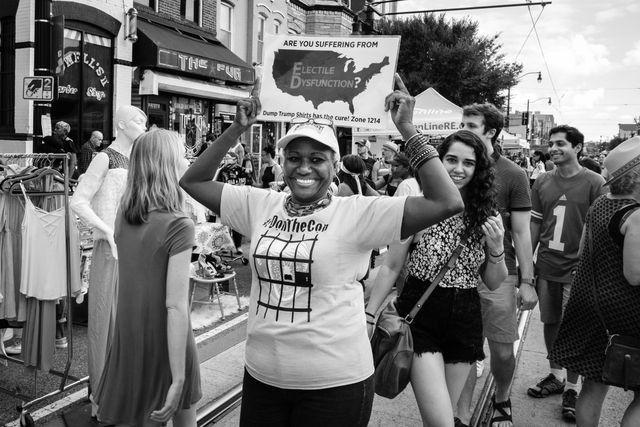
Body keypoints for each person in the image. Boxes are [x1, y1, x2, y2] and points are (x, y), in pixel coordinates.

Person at [179, 75, 464, 427]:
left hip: (336, 385)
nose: (303, 167)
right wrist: (236, 129)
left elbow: (447, 201)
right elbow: (192, 181)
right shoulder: (260, 204)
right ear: (282, 162)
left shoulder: (357, 212)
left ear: (334, 164)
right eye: (294, 157)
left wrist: (406, 128)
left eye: (316, 158)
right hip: (262, 379)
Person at [366, 130, 507, 427]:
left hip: (465, 317)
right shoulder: (418, 206)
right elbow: (391, 265)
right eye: (451, 160)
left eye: (468, 163)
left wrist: (496, 250)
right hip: (420, 316)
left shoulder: (486, 214)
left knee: (445, 416)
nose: (458, 169)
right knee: (441, 421)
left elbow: (494, 281)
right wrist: (368, 314)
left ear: (478, 169)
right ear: (438, 163)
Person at [94, 129, 201, 426]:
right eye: (182, 154)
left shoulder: (124, 215)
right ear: (167, 163)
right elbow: (175, 306)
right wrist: (178, 376)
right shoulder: (179, 224)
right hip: (170, 341)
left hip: (130, 336)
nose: (186, 159)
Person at [547, 136, 640, 427]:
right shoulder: (636, 216)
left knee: (593, 385)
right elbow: (634, 275)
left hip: (590, 306)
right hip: (626, 315)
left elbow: (582, 250)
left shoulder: (601, 203)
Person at [457, 103, 537, 427]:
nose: (463, 129)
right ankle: (460, 415)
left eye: (471, 125)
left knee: (502, 352)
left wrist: (527, 280)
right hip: (458, 272)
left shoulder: (514, 174)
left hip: (499, 273)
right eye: (462, 123)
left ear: (490, 131)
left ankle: (501, 395)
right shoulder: (455, 168)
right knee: (463, 350)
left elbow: (521, 232)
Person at [69, 105, 147, 417]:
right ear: (121, 124)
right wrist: (106, 230)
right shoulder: (105, 157)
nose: (143, 123)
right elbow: (78, 201)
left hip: (136, 249)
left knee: (131, 322)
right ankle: (103, 396)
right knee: (105, 321)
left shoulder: (139, 160)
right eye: (137, 119)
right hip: (110, 248)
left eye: (144, 119)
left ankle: (128, 390)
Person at [527, 125, 605, 422]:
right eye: (551, 143)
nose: (553, 148)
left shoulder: (595, 182)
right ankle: (555, 374)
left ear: (578, 148)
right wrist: (527, 265)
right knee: (550, 323)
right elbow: (534, 224)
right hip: (547, 265)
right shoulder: (542, 181)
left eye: (561, 143)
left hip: (579, 270)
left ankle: (572, 386)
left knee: (574, 328)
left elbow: (600, 228)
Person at [216, 151, 249, 254]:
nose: (226, 159)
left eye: (228, 157)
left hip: (239, 200)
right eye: (225, 157)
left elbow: (249, 185)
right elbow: (217, 185)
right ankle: (224, 245)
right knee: (224, 224)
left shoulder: (243, 171)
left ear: (235, 159)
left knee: (237, 224)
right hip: (225, 199)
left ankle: (238, 246)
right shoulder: (222, 171)